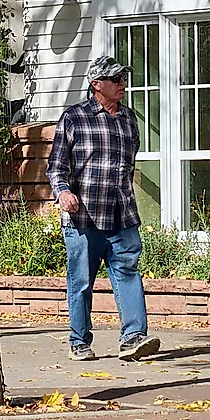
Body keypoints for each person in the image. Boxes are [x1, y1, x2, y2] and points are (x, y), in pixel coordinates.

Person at [49, 54, 157, 361]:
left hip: (122, 213)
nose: (123, 84)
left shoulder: (129, 118)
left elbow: (129, 162)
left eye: (124, 78)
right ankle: (79, 340)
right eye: (116, 79)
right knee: (81, 280)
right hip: (83, 216)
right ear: (97, 85)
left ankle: (134, 337)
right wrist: (64, 192)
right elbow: (55, 166)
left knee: (127, 271)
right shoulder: (75, 118)